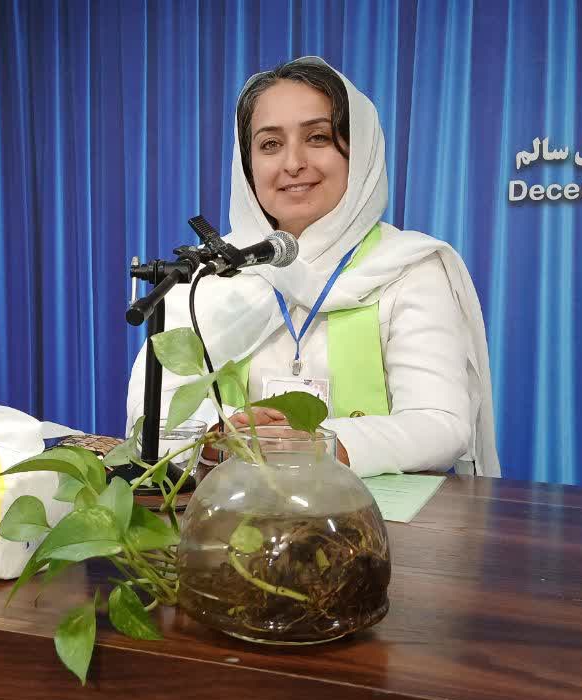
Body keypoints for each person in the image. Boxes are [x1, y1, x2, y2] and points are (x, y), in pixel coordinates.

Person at [125, 57, 499, 478]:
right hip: (234, 508)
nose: (293, 163)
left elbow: (439, 423)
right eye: (270, 144)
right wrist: (220, 432)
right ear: (247, 165)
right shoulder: (207, 271)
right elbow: (151, 409)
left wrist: (320, 444)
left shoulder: (408, 269)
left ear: (359, 152)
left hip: (372, 514)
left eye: (317, 137)